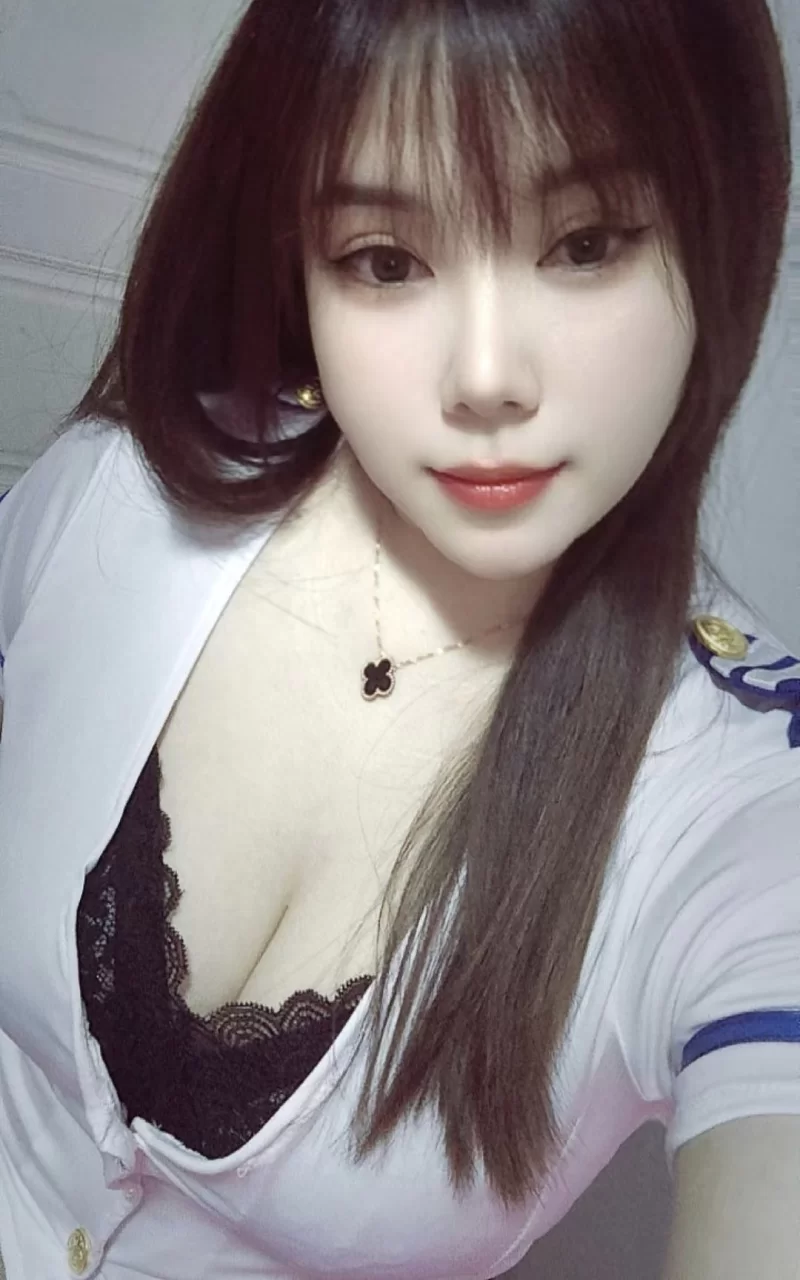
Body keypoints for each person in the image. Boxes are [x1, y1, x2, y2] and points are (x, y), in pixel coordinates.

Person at [0, 0, 798, 1276]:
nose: (483, 376)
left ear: (720, 233)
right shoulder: (122, 490)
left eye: (584, 243)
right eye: (382, 259)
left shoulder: (741, 801)